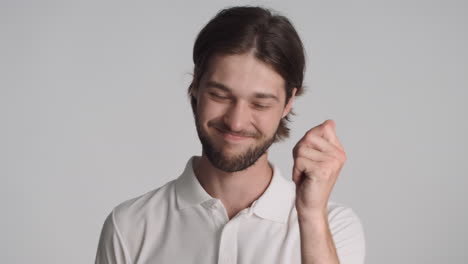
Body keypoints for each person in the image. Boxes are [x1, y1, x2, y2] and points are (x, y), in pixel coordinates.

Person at [95, 6, 365, 264]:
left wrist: (311, 216)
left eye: (260, 104)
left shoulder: (333, 226)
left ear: (288, 103)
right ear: (196, 84)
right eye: (220, 95)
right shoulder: (129, 226)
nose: (236, 122)